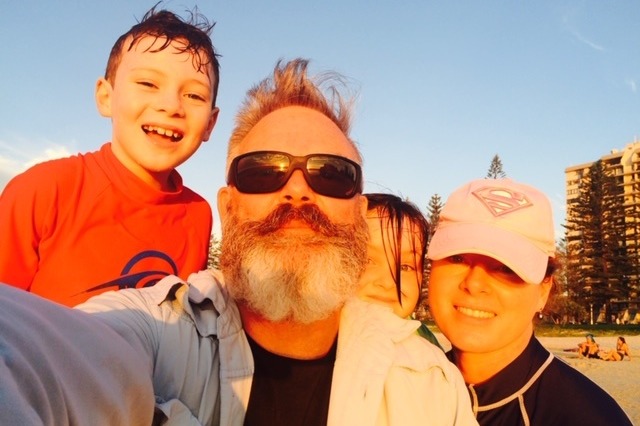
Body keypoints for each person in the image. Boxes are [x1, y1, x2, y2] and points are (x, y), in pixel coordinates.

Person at [73, 59, 477, 425]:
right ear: (227, 208)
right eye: (263, 171)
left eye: (332, 174)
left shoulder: (429, 385)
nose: (298, 191)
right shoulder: (154, 330)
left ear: (359, 213)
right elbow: (61, 359)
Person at [0, 5, 220, 306]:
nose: (171, 106)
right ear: (106, 97)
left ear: (210, 124)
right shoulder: (44, 190)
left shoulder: (198, 215)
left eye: (194, 95)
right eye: (148, 84)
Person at [427, 178, 632, 425]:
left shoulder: (588, 418)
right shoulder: (400, 385)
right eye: (457, 257)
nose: (474, 283)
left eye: (505, 268)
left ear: (544, 290)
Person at [357, 193, 443, 350]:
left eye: (405, 267)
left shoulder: (426, 345)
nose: (388, 282)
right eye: (367, 260)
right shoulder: (321, 342)